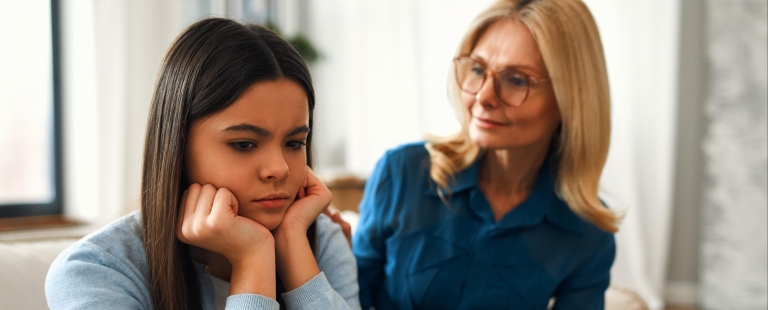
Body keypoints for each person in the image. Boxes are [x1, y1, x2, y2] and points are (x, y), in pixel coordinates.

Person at [46, 18, 360, 310]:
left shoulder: (318, 239)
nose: (279, 168)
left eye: (294, 143)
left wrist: (294, 250)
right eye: (244, 144)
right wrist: (253, 259)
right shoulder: (93, 271)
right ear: (178, 147)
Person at [353, 0, 620, 309]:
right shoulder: (402, 172)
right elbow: (349, 296)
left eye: (517, 80)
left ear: (571, 98)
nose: (483, 96)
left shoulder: (587, 230)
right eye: (478, 69)